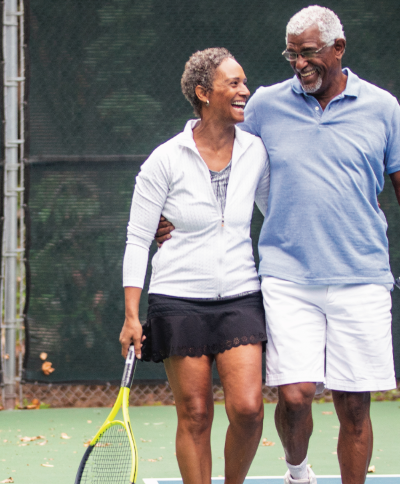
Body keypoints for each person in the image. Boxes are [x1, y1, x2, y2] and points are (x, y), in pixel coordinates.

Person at [155, 6, 400, 484]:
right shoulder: (266, 104)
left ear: (338, 49)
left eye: (308, 53)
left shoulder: (382, 107)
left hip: (362, 276)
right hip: (286, 277)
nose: (299, 63)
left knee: (353, 408)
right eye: (291, 54)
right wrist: (172, 210)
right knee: (294, 394)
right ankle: (297, 471)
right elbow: (214, 147)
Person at [119, 47, 271, 484]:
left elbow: (275, 212)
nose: (246, 90)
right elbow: (137, 239)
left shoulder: (256, 152)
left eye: (245, 81)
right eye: (235, 83)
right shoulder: (164, 160)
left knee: (248, 409)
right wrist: (132, 315)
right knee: (196, 414)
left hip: (241, 295)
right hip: (178, 301)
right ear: (204, 93)